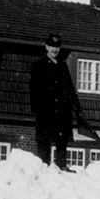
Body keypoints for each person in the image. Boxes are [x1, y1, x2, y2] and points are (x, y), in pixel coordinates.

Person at [29, 33, 82, 172]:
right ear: (46, 47)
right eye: (52, 46)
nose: (54, 50)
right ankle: (43, 168)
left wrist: (76, 105)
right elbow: (33, 89)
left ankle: (61, 166)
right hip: (46, 111)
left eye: (57, 47)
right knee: (44, 141)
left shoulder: (63, 66)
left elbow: (69, 87)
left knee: (61, 140)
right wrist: (37, 109)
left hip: (62, 110)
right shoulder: (39, 65)